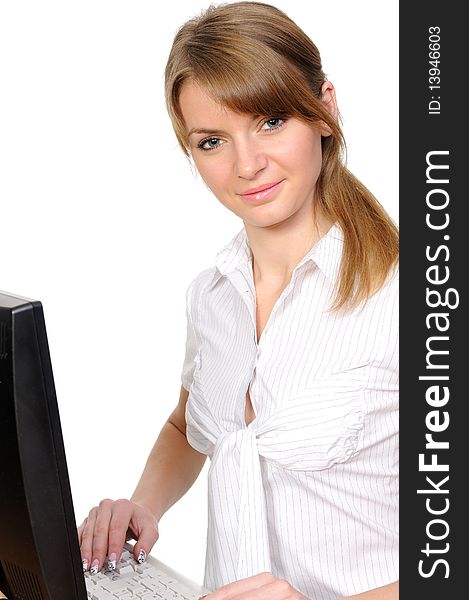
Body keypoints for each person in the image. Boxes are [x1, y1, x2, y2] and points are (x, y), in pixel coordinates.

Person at [78, 2, 399, 599]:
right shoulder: (212, 295)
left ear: (325, 108)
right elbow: (190, 426)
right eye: (211, 140)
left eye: (271, 120)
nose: (247, 165)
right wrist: (141, 509)